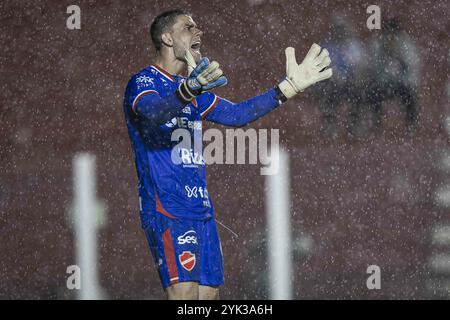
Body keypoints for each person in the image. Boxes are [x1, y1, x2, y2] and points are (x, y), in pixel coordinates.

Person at [123, 9, 332, 300]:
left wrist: (287, 88)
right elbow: (154, 112)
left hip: (202, 211)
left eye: (197, 26)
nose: (199, 32)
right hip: (168, 208)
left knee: (209, 297)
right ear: (166, 37)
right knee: (184, 297)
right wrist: (189, 89)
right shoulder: (144, 82)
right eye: (188, 27)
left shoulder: (192, 89)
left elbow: (237, 114)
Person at [313, 16, 368, 137]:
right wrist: (333, 75)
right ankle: (330, 124)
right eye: (338, 30)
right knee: (328, 91)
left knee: (359, 92)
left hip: (351, 83)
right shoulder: (327, 47)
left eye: (343, 30)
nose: (341, 33)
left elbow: (361, 66)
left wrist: (354, 77)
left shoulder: (354, 47)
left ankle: (354, 124)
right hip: (332, 83)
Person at [366, 18, 421, 132]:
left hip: (402, 83)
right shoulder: (378, 45)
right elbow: (373, 68)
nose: (391, 37)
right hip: (383, 84)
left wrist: (399, 59)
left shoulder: (406, 46)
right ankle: (377, 123)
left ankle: (412, 124)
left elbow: (412, 67)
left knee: (410, 95)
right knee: (373, 93)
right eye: (388, 33)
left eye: (394, 33)